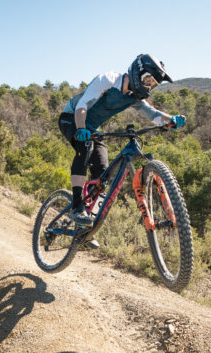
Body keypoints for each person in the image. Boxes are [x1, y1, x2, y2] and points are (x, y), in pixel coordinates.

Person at [58, 54, 186, 227]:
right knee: (85, 148)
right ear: (137, 71)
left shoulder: (135, 97)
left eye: (153, 84)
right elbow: (82, 106)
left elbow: (153, 114)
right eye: (148, 80)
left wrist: (172, 120)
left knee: (103, 169)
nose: (149, 86)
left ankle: (83, 228)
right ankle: (76, 206)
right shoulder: (108, 80)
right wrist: (80, 128)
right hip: (72, 119)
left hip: (92, 129)